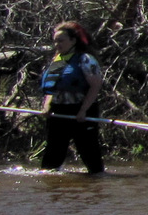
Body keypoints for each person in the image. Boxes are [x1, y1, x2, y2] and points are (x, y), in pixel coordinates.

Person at [39, 21, 105, 173]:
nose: (57, 44)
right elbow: (51, 88)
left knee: (89, 150)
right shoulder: (58, 60)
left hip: (82, 111)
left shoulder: (86, 59)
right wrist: (47, 106)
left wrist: (83, 110)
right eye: (55, 41)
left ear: (73, 41)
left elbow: (95, 86)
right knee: (53, 152)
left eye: (61, 40)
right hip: (59, 111)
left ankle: (97, 179)